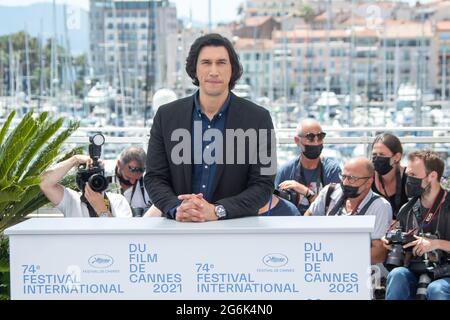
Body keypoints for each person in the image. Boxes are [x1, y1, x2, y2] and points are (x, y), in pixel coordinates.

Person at [144, 33, 276, 222]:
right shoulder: (166, 116)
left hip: (235, 229)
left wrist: (217, 211)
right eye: (206, 62)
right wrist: (176, 208)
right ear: (194, 69)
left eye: (221, 62)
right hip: (179, 228)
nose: (214, 71)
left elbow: (264, 185)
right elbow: (154, 177)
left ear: (232, 69)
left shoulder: (259, 119)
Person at [383, 150, 450, 300]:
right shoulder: (406, 209)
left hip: (446, 274)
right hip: (415, 271)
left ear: (432, 176)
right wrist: (391, 240)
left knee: (437, 289)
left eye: (413, 176)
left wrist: (435, 244)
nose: (408, 180)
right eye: (407, 174)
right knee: (397, 275)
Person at [305, 157, 392, 265]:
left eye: (352, 178)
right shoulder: (329, 191)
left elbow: (379, 253)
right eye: (343, 176)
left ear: (368, 182)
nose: (345, 183)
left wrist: (339, 261)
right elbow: (307, 219)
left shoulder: (380, 206)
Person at [275, 118, 341, 215]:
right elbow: (276, 206)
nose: (316, 142)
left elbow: (333, 210)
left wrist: (306, 192)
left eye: (320, 136)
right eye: (310, 137)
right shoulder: (285, 171)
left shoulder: (331, 170)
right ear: (297, 140)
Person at [40, 154, 132, 217]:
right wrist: (74, 159)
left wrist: (102, 210)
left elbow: (123, 236)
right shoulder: (71, 199)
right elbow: (44, 183)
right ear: (80, 181)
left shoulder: (117, 201)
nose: (92, 182)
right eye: (86, 177)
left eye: (96, 177)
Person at [371, 133, 408, 219]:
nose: (377, 158)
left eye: (382, 154)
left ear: (397, 157)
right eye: (374, 155)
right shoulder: (368, 179)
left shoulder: (409, 179)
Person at [112, 147, 152, 216]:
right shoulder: (104, 179)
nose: (133, 182)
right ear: (119, 164)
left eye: (137, 179)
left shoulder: (149, 183)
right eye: (128, 177)